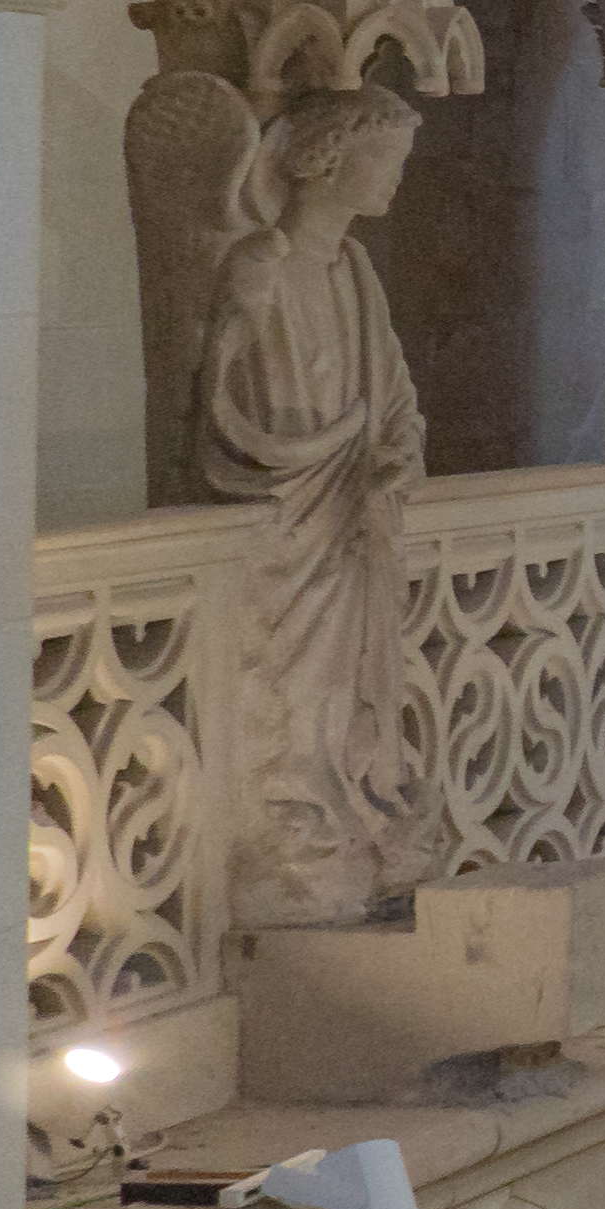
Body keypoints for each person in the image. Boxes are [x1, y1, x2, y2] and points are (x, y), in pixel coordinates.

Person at [200, 82, 435, 912]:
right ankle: (290, 822)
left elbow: (397, 395)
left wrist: (391, 458)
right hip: (291, 509)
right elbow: (218, 404)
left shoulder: (357, 267)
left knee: (354, 680)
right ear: (329, 161)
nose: (396, 180)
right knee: (289, 674)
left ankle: (356, 803)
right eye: (386, 160)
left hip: (351, 514)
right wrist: (303, 454)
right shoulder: (260, 261)